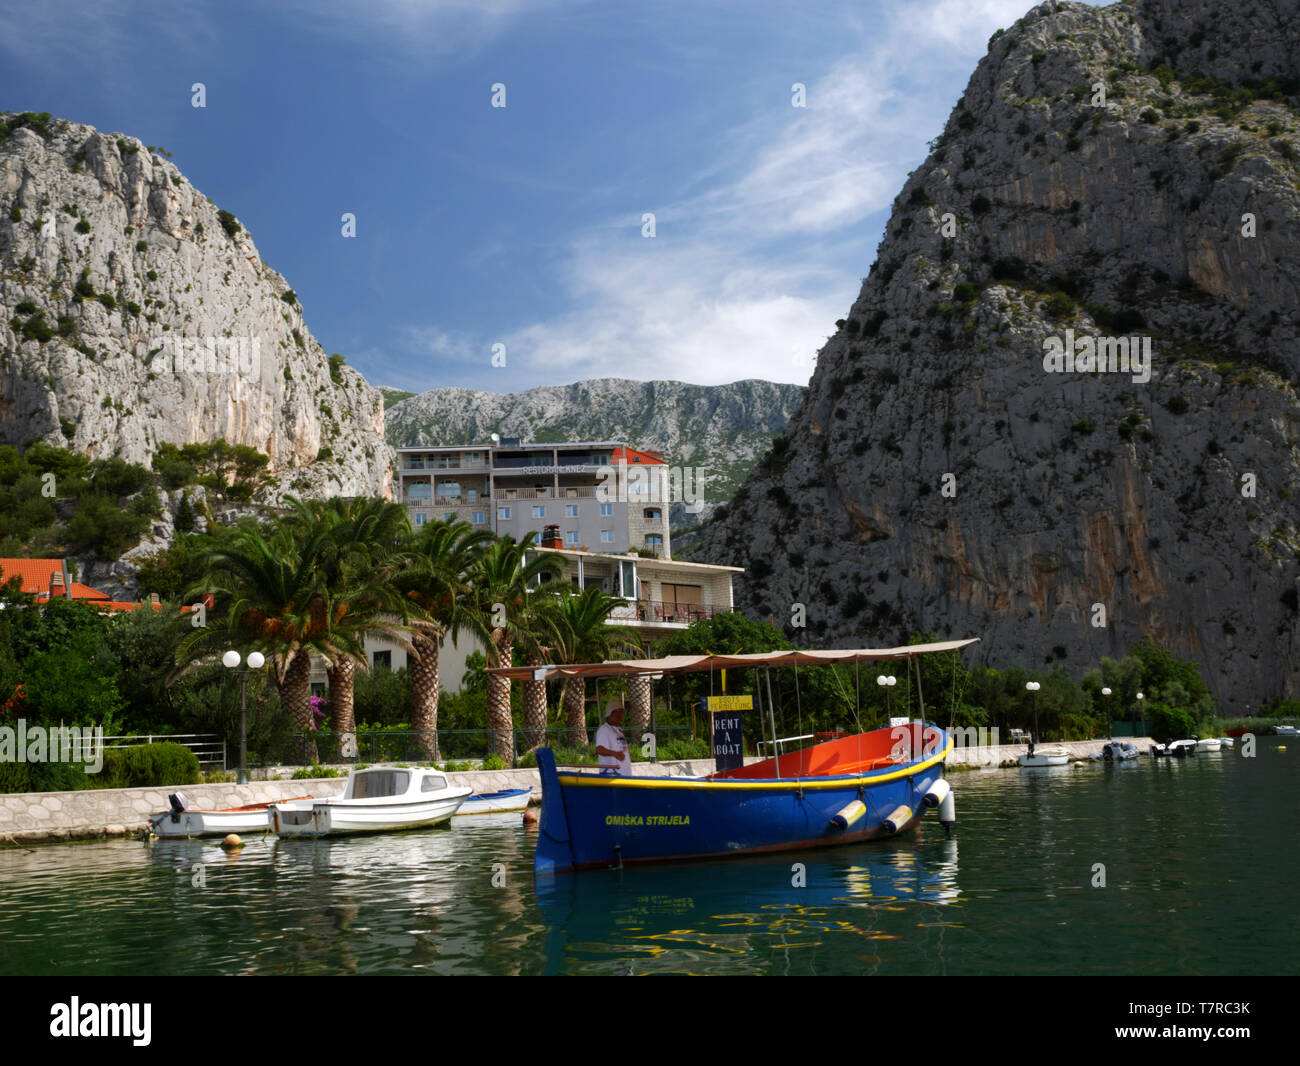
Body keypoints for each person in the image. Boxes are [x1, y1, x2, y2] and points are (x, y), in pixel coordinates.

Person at [594, 699, 631, 775]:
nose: (619, 714)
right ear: (609, 714)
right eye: (615, 712)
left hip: (623, 775)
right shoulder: (604, 729)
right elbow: (599, 750)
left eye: (620, 711)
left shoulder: (619, 730)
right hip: (611, 775)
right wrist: (615, 754)